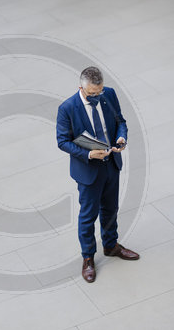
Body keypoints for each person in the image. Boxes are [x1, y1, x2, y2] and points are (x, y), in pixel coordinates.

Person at [56, 66, 140, 283]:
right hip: (88, 170)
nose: (97, 96)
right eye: (92, 93)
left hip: (112, 163)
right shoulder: (67, 108)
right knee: (88, 215)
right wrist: (89, 153)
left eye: (99, 92)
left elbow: (121, 121)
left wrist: (121, 139)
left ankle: (111, 245)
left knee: (111, 208)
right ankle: (88, 258)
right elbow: (62, 141)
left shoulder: (108, 94)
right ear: (81, 88)